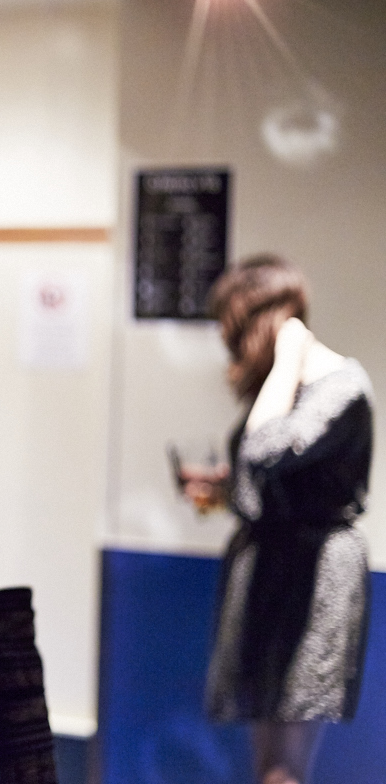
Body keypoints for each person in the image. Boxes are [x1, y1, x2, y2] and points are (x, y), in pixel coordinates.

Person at [180, 255, 373, 784]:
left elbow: (265, 446)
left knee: (284, 765)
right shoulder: (286, 390)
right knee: (266, 761)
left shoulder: (339, 385)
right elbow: (269, 479)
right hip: (271, 571)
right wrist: (221, 488)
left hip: (312, 582)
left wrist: (289, 356)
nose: (227, 342)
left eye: (231, 326)